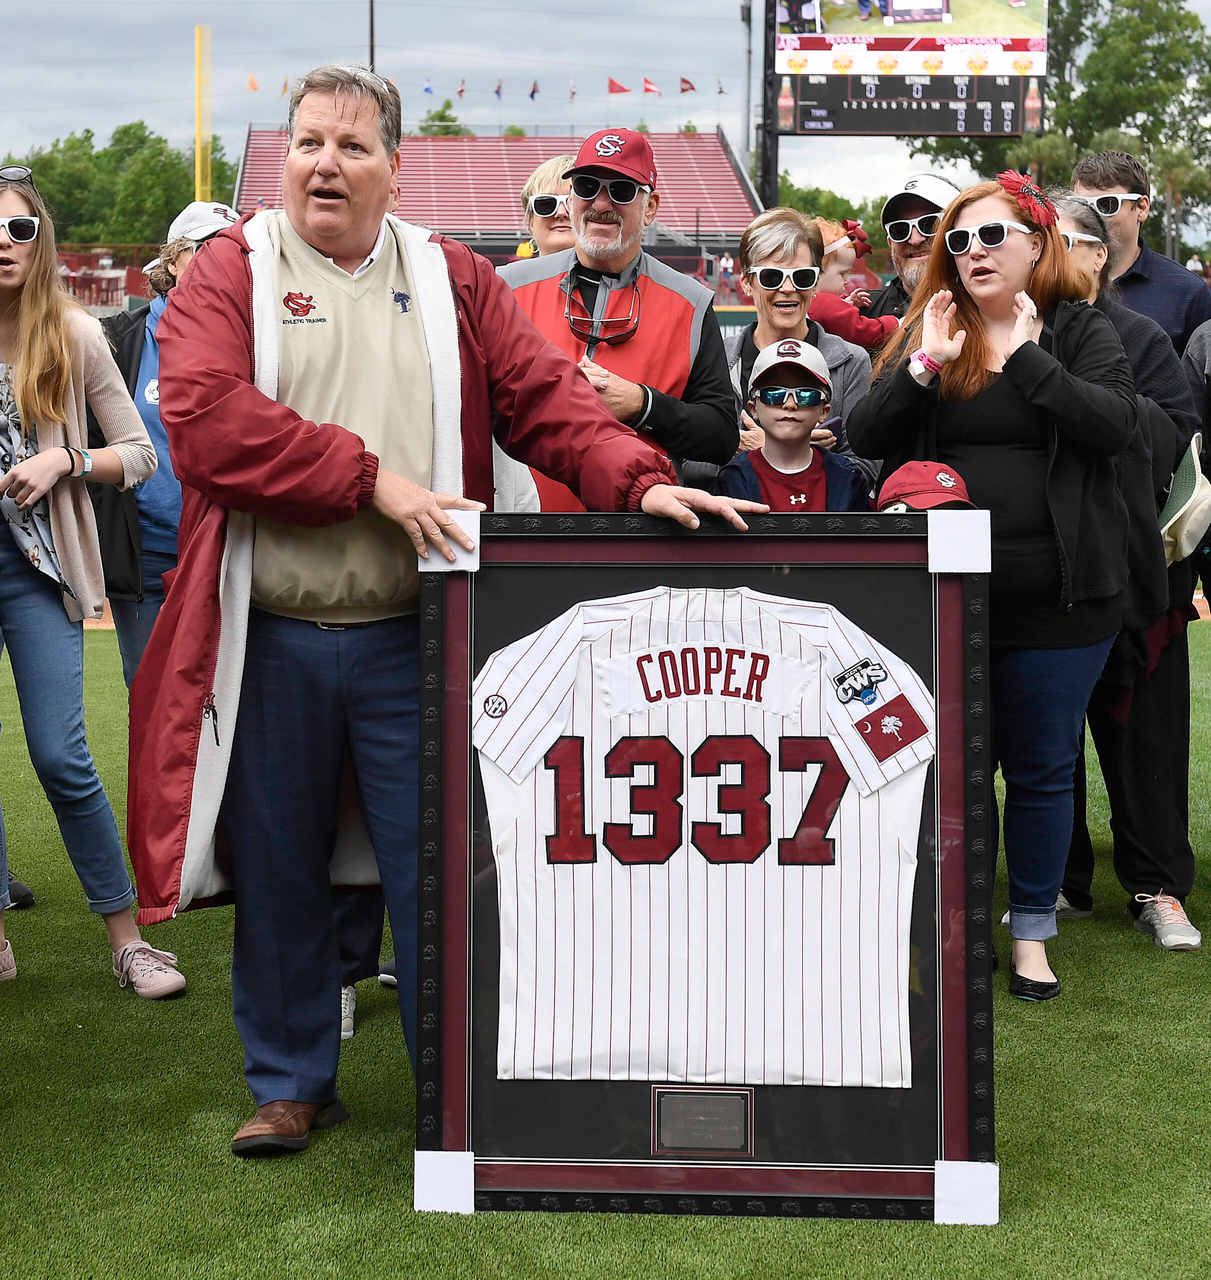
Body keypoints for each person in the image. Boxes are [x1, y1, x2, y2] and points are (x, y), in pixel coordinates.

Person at [130, 65, 763, 1156]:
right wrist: (371, 479)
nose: (324, 162)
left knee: (445, 864)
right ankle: (291, 1080)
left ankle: (457, 1082)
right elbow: (202, 421)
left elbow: (546, 399)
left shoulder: (451, 274)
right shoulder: (226, 272)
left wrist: (634, 474)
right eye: (308, 142)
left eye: (351, 146)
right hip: (271, 628)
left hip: (417, 634)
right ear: (284, 155)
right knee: (278, 862)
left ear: (393, 165)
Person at [848, 173, 1137, 1001]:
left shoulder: (1079, 328)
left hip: (1061, 598)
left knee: (1042, 771)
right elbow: (866, 436)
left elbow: (1113, 426)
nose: (971, 252)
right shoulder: (930, 326)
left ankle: (1031, 933)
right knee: (947, 771)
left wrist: (1027, 359)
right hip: (943, 598)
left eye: (989, 236)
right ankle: (948, 926)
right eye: (958, 240)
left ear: (1035, 243)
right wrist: (926, 366)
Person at [0, 166, 182, 995]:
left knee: (60, 756)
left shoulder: (74, 336)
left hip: (39, 571)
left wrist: (63, 460)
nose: (4, 242)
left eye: (20, 229)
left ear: (41, 244)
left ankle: (127, 937)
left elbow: (140, 455)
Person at [1052, 196, 1203, 949]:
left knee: (1145, 736)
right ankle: (1058, 880)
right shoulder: (1006, 334)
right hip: (1044, 571)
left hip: (1136, 574)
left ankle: (1157, 885)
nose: (1057, 255)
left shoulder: (1139, 335)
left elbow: (1177, 436)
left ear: (1097, 257)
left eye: (1071, 242)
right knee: (1045, 740)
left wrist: (1098, 405)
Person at [498, 128, 739, 510]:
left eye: (622, 191)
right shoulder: (506, 288)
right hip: (519, 529)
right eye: (588, 186)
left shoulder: (690, 302)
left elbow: (722, 436)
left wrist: (641, 405)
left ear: (651, 207)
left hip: (642, 535)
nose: (601, 203)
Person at [88, 200, 239, 689]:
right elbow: (91, 442)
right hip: (148, 558)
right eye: (206, 249)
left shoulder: (258, 340)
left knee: (233, 700)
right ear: (173, 260)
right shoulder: (119, 340)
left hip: (230, 552)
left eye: (234, 252)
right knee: (152, 696)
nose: (221, 261)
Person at [686, 207, 874, 495]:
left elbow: (865, 471)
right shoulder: (714, 360)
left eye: (802, 277)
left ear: (815, 285)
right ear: (747, 283)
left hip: (816, 531)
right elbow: (685, 463)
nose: (788, 288)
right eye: (772, 277)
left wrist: (794, 452)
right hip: (731, 530)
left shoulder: (851, 362)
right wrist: (758, 452)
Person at [1072, 150, 1211, 354]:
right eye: (1081, 205)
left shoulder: (1189, 294)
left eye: (1107, 204)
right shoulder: (1052, 281)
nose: (1092, 215)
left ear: (1142, 208)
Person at [714, 338, 869, 510]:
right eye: (773, 394)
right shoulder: (734, 478)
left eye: (806, 395)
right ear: (753, 408)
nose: (790, 404)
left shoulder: (847, 477)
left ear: (824, 411)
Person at [866, 173, 962, 320]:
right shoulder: (860, 315)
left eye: (930, 224)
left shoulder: (993, 313)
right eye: (900, 230)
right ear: (891, 243)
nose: (915, 239)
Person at [808, 217, 898, 350]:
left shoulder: (809, 301)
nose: (847, 280)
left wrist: (846, 304)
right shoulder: (822, 302)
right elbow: (861, 331)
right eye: (842, 273)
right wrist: (895, 324)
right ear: (816, 272)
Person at [518, 154, 575, 258]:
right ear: (531, 222)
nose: (561, 213)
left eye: (573, 202)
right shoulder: (505, 274)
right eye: (547, 204)